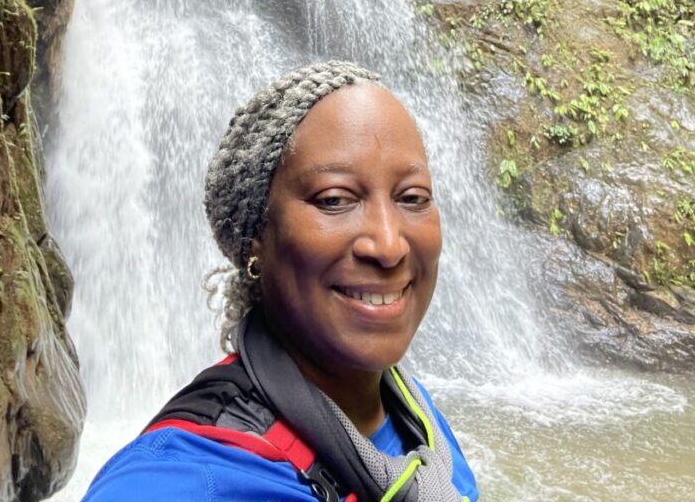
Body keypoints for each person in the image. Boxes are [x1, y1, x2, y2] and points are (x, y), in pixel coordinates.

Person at [82, 60, 478, 502]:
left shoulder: (416, 418)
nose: (389, 245)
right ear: (256, 239)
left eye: (412, 198)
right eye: (334, 199)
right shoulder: (191, 474)